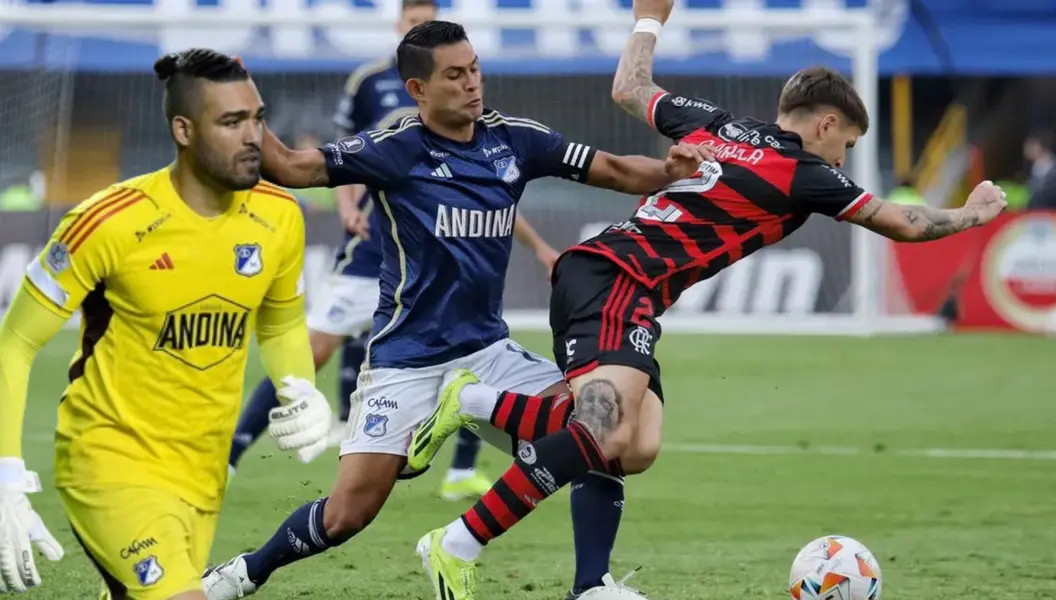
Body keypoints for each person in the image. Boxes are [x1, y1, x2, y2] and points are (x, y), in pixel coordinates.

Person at [404, 1, 1009, 598]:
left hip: (618, 283)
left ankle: (587, 579)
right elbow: (902, 222)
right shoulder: (804, 171)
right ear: (824, 125)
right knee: (604, 428)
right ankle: (459, 540)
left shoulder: (716, 124)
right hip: (618, 278)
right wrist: (972, 214)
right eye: (846, 144)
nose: (842, 160)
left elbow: (629, 87)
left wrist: (649, 20)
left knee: (634, 447)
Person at [201, 19, 714, 600]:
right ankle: (241, 575)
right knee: (348, 514)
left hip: (488, 354)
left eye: (475, 69)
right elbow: (290, 167)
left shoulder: (514, 139)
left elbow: (618, 171)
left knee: (601, 432)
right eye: (454, 75)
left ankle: (590, 586)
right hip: (406, 360)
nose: (472, 84)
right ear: (418, 90)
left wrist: (669, 172)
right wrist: (247, 104)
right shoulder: (394, 150)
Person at [0, 49, 331, 600]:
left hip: (202, 470)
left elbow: (281, 325)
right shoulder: (109, 222)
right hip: (108, 459)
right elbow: (15, 344)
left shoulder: (279, 215)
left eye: (257, 117)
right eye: (231, 122)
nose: (253, 136)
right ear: (183, 130)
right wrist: (3, 481)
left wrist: (299, 385)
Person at [226, 0, 562, 504]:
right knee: (313, 353)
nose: (467, 80)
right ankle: (231, 454)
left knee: (471, 346)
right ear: (402, 32)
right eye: (414, 23)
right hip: (372, 254)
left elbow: (488, 192)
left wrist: (538, 246)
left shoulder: (476, 121)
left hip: (442, 258)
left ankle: (458, 471)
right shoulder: (371, 85)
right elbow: (331, 157)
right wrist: (346, 208)